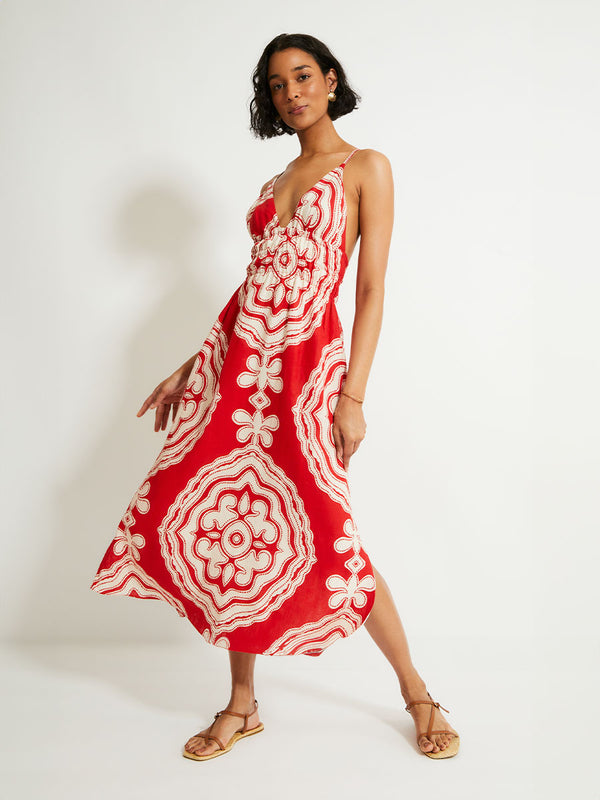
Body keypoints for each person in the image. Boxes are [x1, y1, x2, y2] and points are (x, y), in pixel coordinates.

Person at [90, 32, 460, 761]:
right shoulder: (271, 187)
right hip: (243, 375)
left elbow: (371, 286)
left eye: (302, 76)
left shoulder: (366, 168)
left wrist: (353, 393)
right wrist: (192, 367)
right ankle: (242, 703)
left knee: (329, 531)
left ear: (330, 80)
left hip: (307, 374)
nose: (291, 92)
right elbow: (252, 293)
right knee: (236, 522)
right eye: (277, 83)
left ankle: (418, 693)